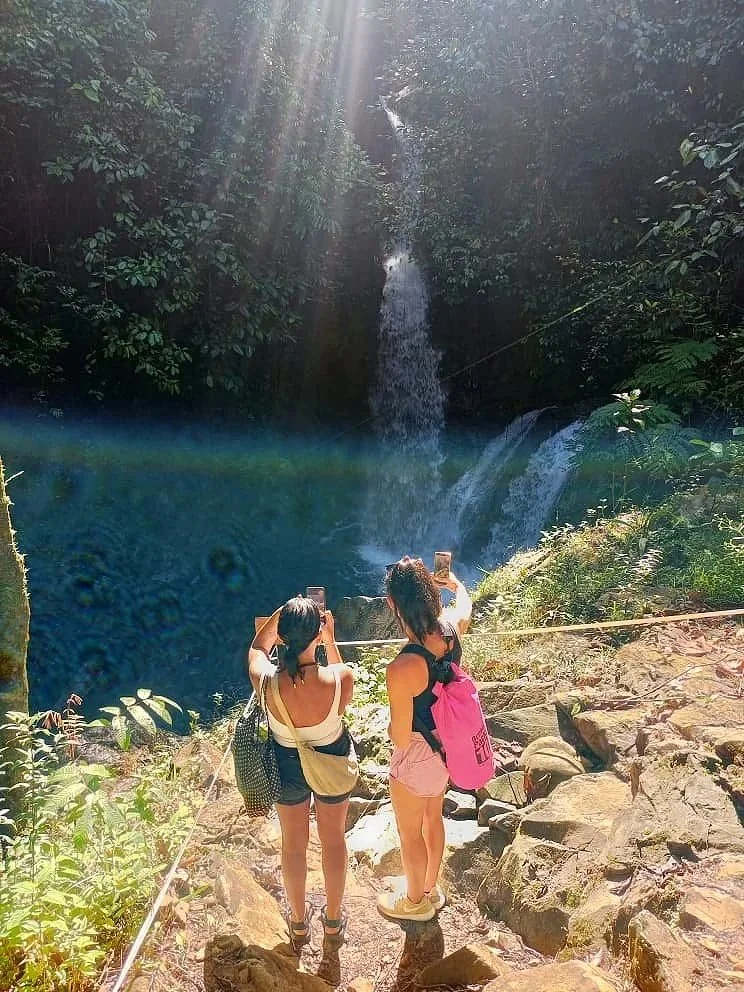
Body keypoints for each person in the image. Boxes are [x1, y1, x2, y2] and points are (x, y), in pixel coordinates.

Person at [247, 596, 355, 948]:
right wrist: (330, 638)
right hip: (331, 760)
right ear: (318, 632)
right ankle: (333, 921)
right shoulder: (341, 679)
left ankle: (297, 923)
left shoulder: (267, 682)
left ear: (282, 637)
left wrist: (279, 615)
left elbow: (256, 648)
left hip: (286, 763)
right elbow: (339, 675)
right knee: (333, 840)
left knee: (293, 843)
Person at [377, 556, 472, 922]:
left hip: (417, 754)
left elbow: (401, 737)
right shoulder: (452, 631)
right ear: (432, 593)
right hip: (448, 745)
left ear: (393, 603)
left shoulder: (402, 667)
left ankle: (415, 902)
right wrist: (455, 584)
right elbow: (464, 606)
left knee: (409, 833)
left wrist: (390, 730)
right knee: (433, 818)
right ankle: (430, 888)